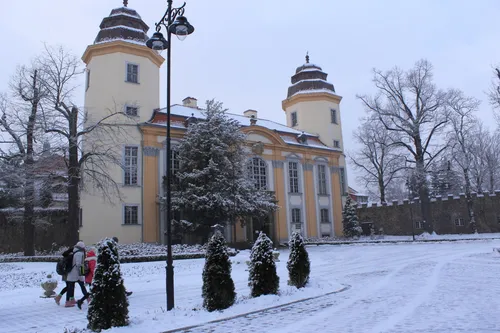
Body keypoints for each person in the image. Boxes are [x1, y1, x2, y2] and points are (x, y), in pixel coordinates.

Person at [65, 241, 88, 307]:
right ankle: (68, 302)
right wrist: (81, 272)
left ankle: (70, 301)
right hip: (76, 273)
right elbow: (78, 264)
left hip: (73, 273)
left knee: (71, 287)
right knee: (74, 287)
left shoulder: (75, 251)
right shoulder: (79, 253)